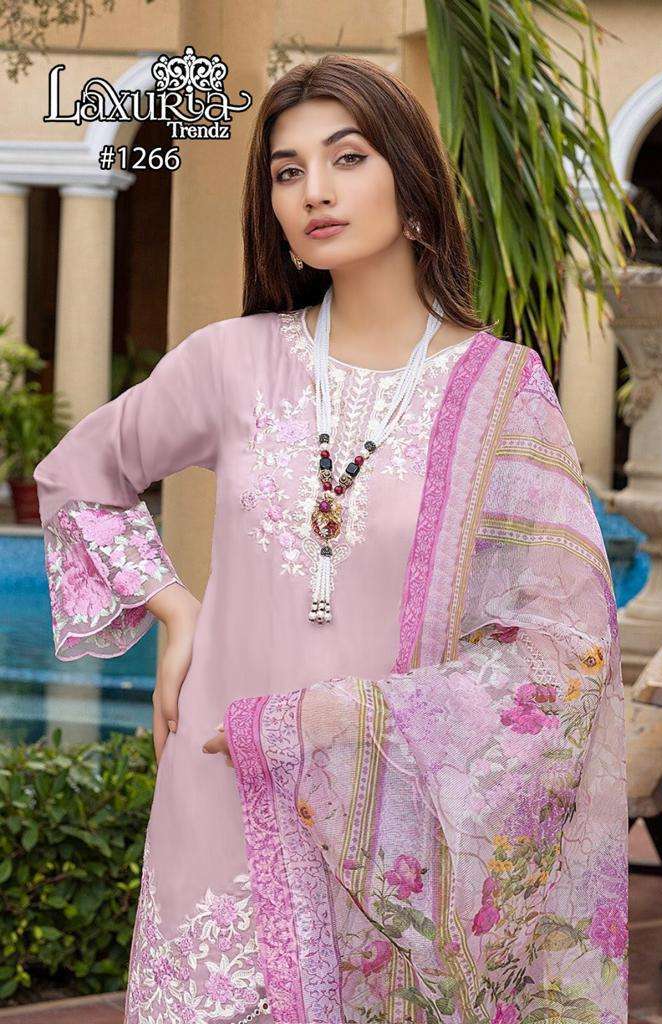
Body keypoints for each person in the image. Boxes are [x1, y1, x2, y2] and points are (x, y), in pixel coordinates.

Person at [34, 54, 628, 1024]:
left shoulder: (498, 392)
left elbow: (565, 651)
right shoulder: (231, 361)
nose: (313, 189)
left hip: (391, 832)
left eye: (346, 158)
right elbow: (77, 473)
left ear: (411, 182)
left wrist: (330, 717)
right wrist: (174, 609)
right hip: (219, 795)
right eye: (286, 170)